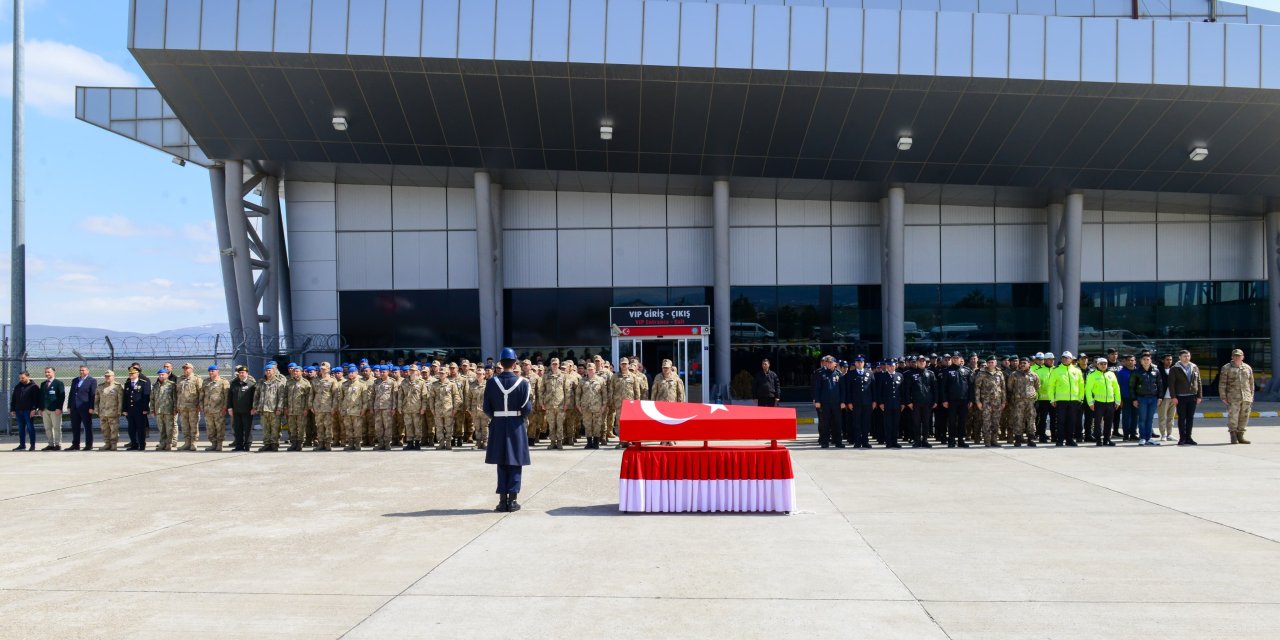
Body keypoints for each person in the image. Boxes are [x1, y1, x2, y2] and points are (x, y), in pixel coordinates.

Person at [484, 348, 532, 513]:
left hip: (498, 424)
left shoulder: (491, 382)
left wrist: (498, 417)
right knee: (515, 462)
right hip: (516, 425)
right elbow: (527, 408)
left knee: (501, 462)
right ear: (515, 363)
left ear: (501, 363)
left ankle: (502, 501)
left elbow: (486, 408)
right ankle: (512, 500)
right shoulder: (523, 383)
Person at [1046, 352, 1083, 447]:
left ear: (1071, 359)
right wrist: (1052, 399)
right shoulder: (1056, 370)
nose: (1066, 359)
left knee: (1071, 421)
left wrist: (1080, 399)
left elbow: (1081, 386)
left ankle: (1070, 440)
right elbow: (1051, 386)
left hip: (1074, 400)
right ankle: (1060, 440)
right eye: (1064, 358)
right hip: (1061, 400)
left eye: (1068, 358)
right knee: (1061, 421)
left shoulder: (1077, 371)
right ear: (1061, 359)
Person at [1219, 348, 1253, 445]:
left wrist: (1251, 396)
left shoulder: (1247, 368)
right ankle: (1233, 436)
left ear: (1243, 357)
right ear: (1232, 357)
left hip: (1246, 397)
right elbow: (1222, 383)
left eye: (1239, 356)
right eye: (1235, 356)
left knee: (1244, 416)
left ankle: (1240, 435)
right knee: (1233, 416)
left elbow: (1251, 383)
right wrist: (1223, 397)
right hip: (1232, 397)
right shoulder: (1226, 368)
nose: (1237, 357)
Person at [1168, 350, 1202, 445]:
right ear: (1180, 357)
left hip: (1192, 396)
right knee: (1182, 418)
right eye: (1184, 356)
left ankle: (1189, 437)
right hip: (1180, 397)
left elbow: (1198, 382)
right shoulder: (1175, 368)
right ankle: (1182, 438)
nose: (1186, 358)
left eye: (1188, 356)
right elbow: (1171, 384)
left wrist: (1199, 396)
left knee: (1190, 418)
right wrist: (1173, 396)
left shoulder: (1194, 367)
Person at [1085, 357, 1121, 447]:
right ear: (1097, 365)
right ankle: (1098, 439)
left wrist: (1117, 400)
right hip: (1098, 402)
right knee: (1098, 422)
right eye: (1101, 364)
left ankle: (1107, 439)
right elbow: (1088, 390)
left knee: (1109, 422)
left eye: (1105, 364)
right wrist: (1090, 402)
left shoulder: (1111, 374)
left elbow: (1116, 388)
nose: (1103, 365)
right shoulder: (1092, 375)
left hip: (1110, 402)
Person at [811, 355, 845, 448]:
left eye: (830, 362)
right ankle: (824, 442)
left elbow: (843, 389)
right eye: (827, 362)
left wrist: (843, 401)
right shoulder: (821, 374)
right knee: (825, 423)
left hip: (836, 403)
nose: (828, 364)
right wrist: (817, 400)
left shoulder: (839, 374)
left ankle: (838, 442)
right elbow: (817, 388)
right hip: (825, 402)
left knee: (837, 423)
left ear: (835, 364)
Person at [1130, 351, 1162, 446]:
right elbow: (1131, 387)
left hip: (1153, 398)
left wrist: (1160, 397)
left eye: (1148, 359)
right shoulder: (1136, 372)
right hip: (1141, 398)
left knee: (1150, 419)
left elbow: (1160, 384)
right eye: (1144, 359)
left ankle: (1149, 438)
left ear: (1150, 360)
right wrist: (1134, 399)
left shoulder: (1156, 371)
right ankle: (1142, 437)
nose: (1146, 361)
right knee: (1142, 419)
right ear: (1141, 361)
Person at [940, 353, 973, 448]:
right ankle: (951, 440)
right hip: (952, 400)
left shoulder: (966, 370)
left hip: (964, 400)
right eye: (953, 358)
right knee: (952, 421)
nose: (955, 359)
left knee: (962, 421)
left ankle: (961, 440)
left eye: (957, 358)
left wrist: (970, 399)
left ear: (960, 359)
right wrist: (944, 400)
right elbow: (943, 387)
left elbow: (970, 386)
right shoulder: (947, 370)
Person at [1005, 357, 1039, 447]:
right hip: (1018, 402)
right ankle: (1018, 439)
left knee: (1031, 420)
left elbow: (1037, 387)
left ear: (1029, 364)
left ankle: (1031, 439)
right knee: (1018, 420)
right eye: (1021, 363)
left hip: (1030, 402)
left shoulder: (1034, 375)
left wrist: (1031, 395)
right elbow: (1010, 387)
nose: (1022, 365)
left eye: (1025, 363)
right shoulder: (1014, 374)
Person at [843, 355, 875, 448]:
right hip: (855, 403)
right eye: (858, 362)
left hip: (867, 402)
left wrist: (874, 401)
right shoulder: (851, 374)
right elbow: (848, 389)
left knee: (866, 423)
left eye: (861, 362)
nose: (859, 363)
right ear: (855, 363)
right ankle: (857, 442)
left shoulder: (870, 373)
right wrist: (849, 402)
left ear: (864, 363)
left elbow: (873, 389)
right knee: (856, 423)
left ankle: (865, 441)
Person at [974, 356, 1006, 447]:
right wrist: (978, 402)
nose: (991, 364)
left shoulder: (999, 373)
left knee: (996, 422)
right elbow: (977, 388)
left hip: (997, 401)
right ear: (987, 363)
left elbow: (1003, 388)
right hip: (986, 402)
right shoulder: (981, 373)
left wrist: (1003, 401)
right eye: (989, 362)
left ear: (996, 363)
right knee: (986, 422)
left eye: (992, 362)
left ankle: (994, 440)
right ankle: (987, 441)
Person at [906, 356, 937, 448]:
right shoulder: (911, 374)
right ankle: (917, 441)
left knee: (926, 422)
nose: (922, 362)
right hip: (915, 403)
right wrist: (909, 402)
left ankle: (925, 440)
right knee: (916, 422)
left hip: (927, 403)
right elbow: (907, 389)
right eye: (920, 361)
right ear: (917, 362)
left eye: (923, 361)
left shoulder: (930, 373)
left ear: (925, 362)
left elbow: (935, 388)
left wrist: (935, 401)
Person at [254, 363, 286, 451]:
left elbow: (281, 397)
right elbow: (256, 395)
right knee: (265, 428)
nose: (268, 372)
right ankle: (267, 444)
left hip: (274, 409)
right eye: (267, 370)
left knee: (275, 428)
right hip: (263, 409)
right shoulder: (261, 382)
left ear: (274, 371)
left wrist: (279, 408)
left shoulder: (278, 382)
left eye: (270, 370)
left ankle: (274, 444)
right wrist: (255, 407)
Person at [874, 359, 905, 449]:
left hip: (897, 404)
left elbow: (902, 391)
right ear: (887, 367)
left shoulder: (900, 376)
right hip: (886, 404)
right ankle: (888, 442)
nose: (891, 367)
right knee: (888, 424)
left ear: (895, 366)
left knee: (896, 424)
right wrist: (880, 403)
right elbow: (879, 391)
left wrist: (903, 403)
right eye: (889, 366)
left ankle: (894, 442)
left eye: (892, 366)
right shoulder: (883, 376)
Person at [227, 365, 256, 452]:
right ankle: (239, 445)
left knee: (247, 429)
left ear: (247, 373)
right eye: (240, 373)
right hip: (236, 411)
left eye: (243, 372)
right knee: (237, 429)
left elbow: (254, 398)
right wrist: (230, 408)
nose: (241, 374)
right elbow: (230, 397)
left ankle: (247, 445)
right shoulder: (234, 384)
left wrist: (254, 408)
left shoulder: (251, 384)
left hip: (247, 411)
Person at [202, 365, 230, 451]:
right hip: (208, 409)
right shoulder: (206, 382)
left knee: (220, 427)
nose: (211, 372)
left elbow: (226, 396)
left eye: (213, 371)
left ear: (217, 371)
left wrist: (225, 407)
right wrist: (201, 406)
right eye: (209, 371)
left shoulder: (223, 382)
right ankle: (213, 444)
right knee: (210, 428)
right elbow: (202, 395)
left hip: (219, 409)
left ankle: (219, 444)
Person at [122, 367, 151, 451]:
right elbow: (125, 398)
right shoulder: (127, 384)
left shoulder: (143, 383)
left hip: (140, 410)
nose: (131, 375)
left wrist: (145, 408)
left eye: (133, 373)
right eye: (130, 373)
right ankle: (134, 444)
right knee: (131, 428)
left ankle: (142, 445)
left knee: (141, 428)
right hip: (130, 410)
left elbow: (146, 397)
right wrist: (124, 409)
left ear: (137, 374)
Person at [68, 365, 96, 451]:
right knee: (75, 426)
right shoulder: (75, 380)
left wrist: (92, 407)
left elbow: (92, 395)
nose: (81, 372)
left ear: (88, 371)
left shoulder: (92, 380)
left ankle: (88, 444)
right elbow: (71, 393)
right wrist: (69, 406)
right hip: (74, 407)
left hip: (85, 407)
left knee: (87, 426)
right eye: (80, 370)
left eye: (83, 370)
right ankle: (75, 444)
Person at [94, 371, 124, 451]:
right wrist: (96, 409)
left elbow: (120, 400)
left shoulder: (117, 386)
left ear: (113, 377)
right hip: (103, 412)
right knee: (104, 429)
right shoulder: (100, 386)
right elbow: (96, 399)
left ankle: (114, 445)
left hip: (113, 412)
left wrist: (119, 410)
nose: (107, 377)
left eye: (109, 376)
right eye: (106, 376)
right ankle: (107, 444)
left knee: (114, 429)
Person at [9, 371, 40, 451]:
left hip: (28, 411)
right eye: (20, 378)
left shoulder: (34, 386)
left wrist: (34, 409)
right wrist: (12, 409)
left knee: (30, 428)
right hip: (19, 411)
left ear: (27, 376)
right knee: (21, 428)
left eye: (22, 378)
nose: (21, 379)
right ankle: (22, 445)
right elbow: (14, 399)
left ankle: (32, 445)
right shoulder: (17, 386)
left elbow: (36, 399)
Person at [39, 367, 66, 451]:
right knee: (47, 428)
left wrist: (59, 408)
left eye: (49, 372)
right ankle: (50, 444)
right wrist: (40, 408)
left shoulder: (58, 383)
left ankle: (58, 444)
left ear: (54, 372)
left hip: (55, 409)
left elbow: (62, 397)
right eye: (46, 372)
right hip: (45, 409)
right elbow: (41, 397)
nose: (47, 374)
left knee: (56, 427)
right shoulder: (43, 384)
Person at [149, 368, 177, 451]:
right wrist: (152, 409)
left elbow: (175, 398)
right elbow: (152, 398)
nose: (161, 376)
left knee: (169, 429)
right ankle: (162, 443)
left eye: (163, 374)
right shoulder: (155, 386)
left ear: (167, 375)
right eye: (160, 374)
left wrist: (175, 409)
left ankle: (169, 443)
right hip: (159, 411)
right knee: (161, 429)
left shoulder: (172, 385)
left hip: (169, 410)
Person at [1116, 354, 1137, 441]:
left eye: (1132, 360)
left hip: (1136, 398)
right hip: (1125, 398)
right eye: (1128, 360)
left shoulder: (1138, 371)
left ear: (1135, 361)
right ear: (1125, 362)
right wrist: (1119, 399)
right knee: (1126, 417)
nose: (1130, 362)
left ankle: (1133, 434)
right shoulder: (1121, 373)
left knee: (1135, 417)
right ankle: (1126, 435)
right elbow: (1117, 386)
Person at [1156, 353, 1176, 442]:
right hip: (1163, 397)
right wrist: (1159, 397)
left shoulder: (1174, 370)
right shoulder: (1158, 370)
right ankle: (1163, 434)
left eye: (1171, 360)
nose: (1169, 361)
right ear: (1162, 360)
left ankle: (1169, 434)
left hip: (1173, 397)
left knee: (1171, 417)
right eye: (1167, 359)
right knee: (1162, 417)